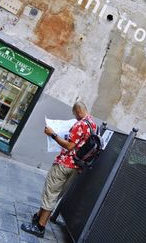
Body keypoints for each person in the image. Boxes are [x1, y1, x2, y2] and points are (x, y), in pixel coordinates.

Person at [21, 101, 97, 238]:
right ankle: (38, 216)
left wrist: (53, 134)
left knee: (50, 192)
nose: (75, 117)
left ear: (78, 111)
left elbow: (69, 146)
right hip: (76, 166)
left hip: (64, 164)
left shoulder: (80, 124)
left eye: (75, 114)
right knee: (56, 193)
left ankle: (40, 227)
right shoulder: (93, 124)